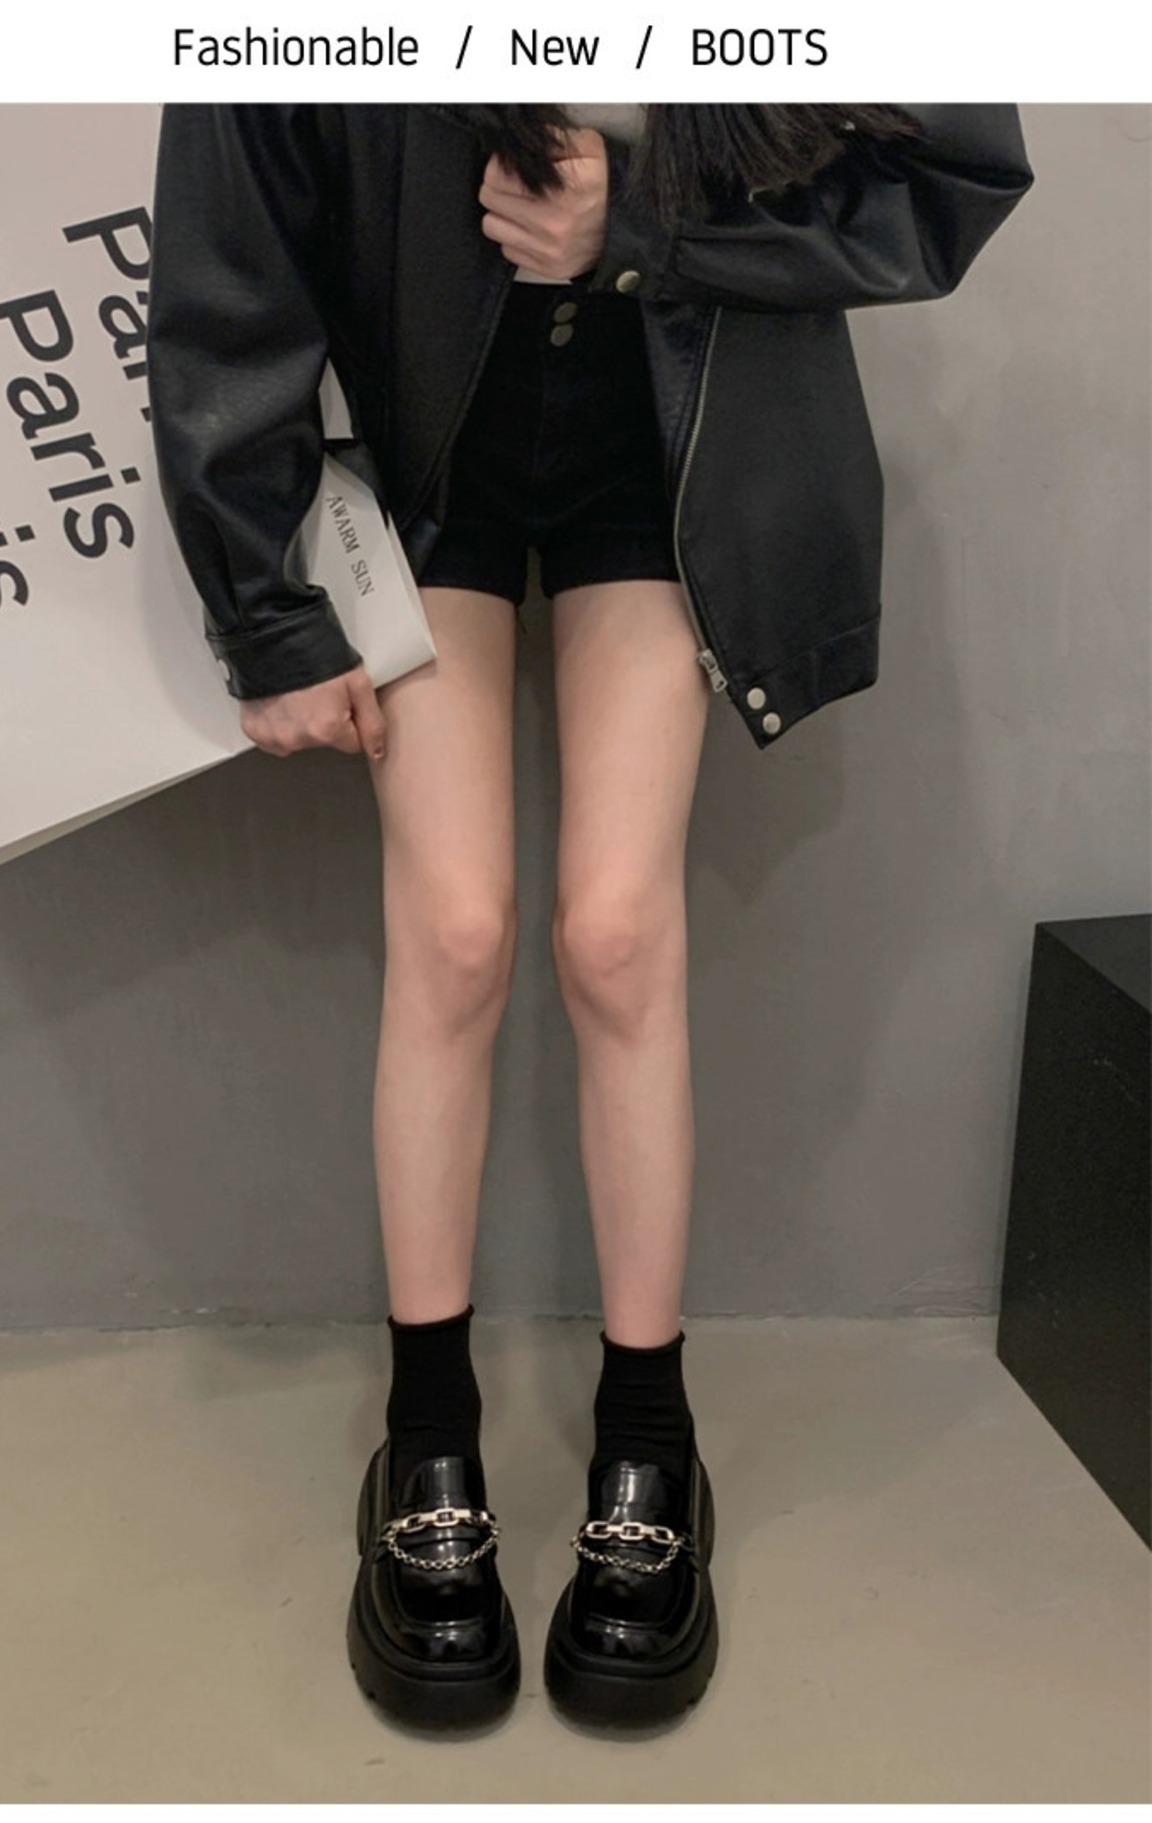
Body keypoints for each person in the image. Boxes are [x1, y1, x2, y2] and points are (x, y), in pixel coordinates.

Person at [146, 101, 1033, 1730]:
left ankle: (650, 1436)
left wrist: (642, 227)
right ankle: (428, 1432)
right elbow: (230, 247)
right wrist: (262, 610)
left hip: (663, 441)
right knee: (457, 934)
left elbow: (955, 174)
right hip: (424, 459)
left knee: (616, 938)